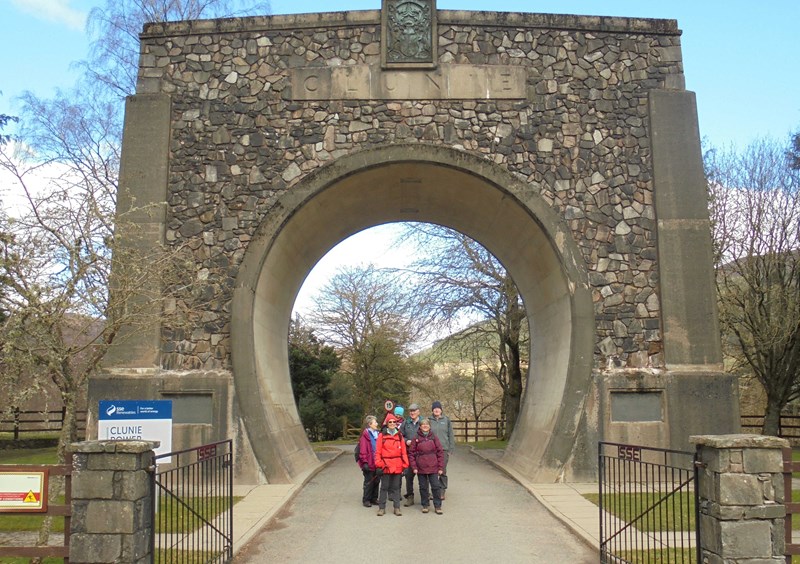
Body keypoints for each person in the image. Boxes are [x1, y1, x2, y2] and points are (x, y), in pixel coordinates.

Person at [374, 415, 409, 516]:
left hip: (397, 464)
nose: (393, 424)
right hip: (386, 465)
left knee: (396, 487)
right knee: (384, 487)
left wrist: (405, 465)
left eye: (394, 422)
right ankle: (381, 508)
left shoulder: (400, 436)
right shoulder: (382, 436)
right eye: (390, 422)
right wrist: (379, 465)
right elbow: (378, 452)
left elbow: (404, 452)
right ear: (387, 424)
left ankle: (397, 508)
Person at [409, 417, 444, 514]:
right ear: (420, 426)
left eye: (427, 424)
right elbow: (411, 453)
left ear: (429, 426)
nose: (425, 426)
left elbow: (440, 452)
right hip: (421, 467)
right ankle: (425, 504)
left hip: (433, 466)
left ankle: (437, 506)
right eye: (423, 424)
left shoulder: (434, 437)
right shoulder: (416, 438)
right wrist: (414, 467)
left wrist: (441, 467)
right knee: (423, 487)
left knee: (436, 486)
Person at [428, 400, 455, 499]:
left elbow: (450, 435)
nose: (436, 410)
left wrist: (451, 448)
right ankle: (434, 490)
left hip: (443, 449)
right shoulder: (429, 420)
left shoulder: (446, 420)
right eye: (434, 408)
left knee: (442, 470)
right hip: (431, 449)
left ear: (441, 410)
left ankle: (442, 490)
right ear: (432, 410)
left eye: (438, 408)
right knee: (432, 470)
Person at [399, 403, 421, 506]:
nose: (412, 413)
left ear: (418, 411)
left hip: (421, 454)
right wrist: (406, 440)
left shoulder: (424, 422)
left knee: (424, 476)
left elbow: (430, 435)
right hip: (409, 454)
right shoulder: (405, 423)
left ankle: (424, 497)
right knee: (408, 476)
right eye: (410, 411)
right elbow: (400, 436)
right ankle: (410, 497)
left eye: (414, 410)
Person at [357, 415, 381, 507]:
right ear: (370, 424)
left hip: (376, 462)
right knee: (369, 481)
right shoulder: (365, 435)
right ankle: (366, 499)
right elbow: (363, 450)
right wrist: (365, 462)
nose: (377, 424)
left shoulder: (377, 434)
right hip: (369, 462)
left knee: (376, 480)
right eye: (375, 422)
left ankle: (374, 498)